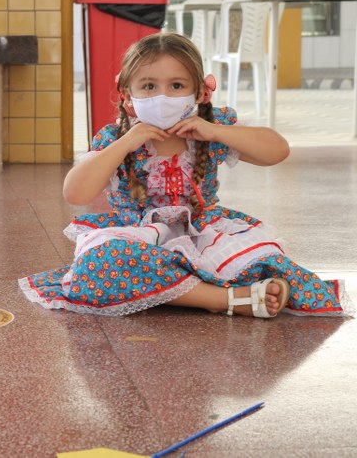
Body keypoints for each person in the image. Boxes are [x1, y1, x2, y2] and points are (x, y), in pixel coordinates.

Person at [19, 32, 352, 318]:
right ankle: (223, 298)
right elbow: (75, 192)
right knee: (101, 263)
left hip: (203, 233)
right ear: (127, 94)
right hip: (138, 236)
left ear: (200, 93)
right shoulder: (115, 139)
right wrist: (126, 143)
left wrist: (216, 131)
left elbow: (277, 150)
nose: (162, 96)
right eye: (149, 86)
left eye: (176, 85)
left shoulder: (211, 129)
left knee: (266, 258)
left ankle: (186, 288)